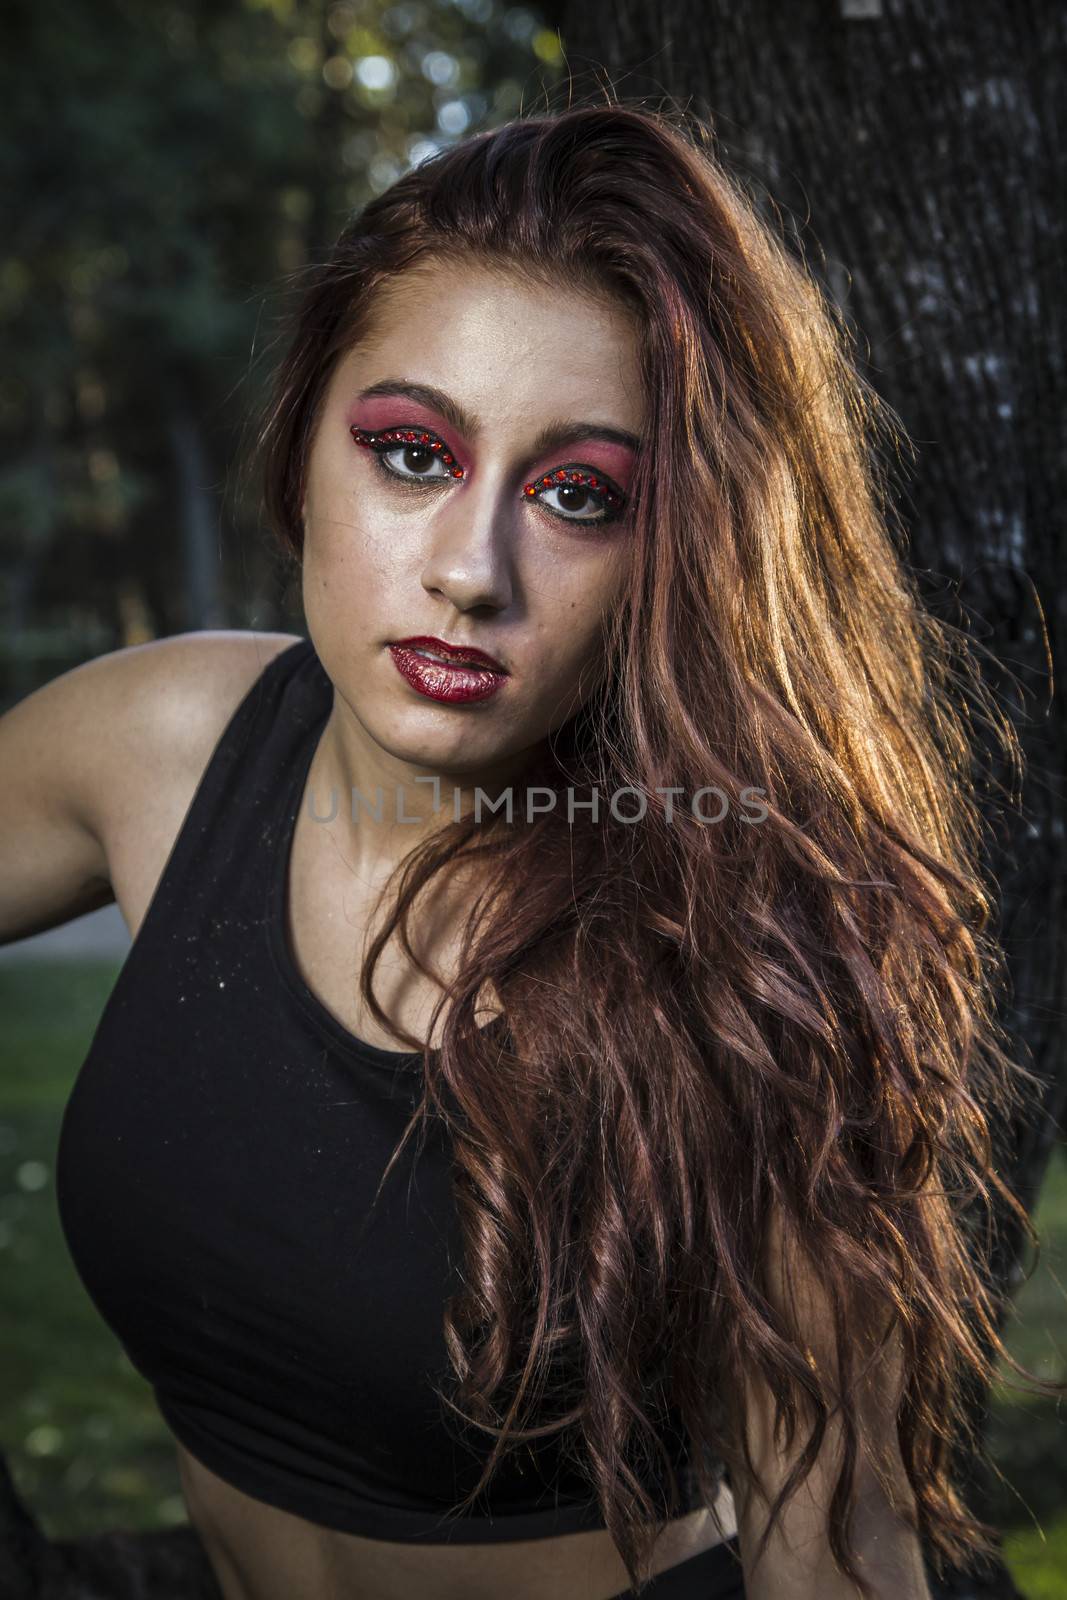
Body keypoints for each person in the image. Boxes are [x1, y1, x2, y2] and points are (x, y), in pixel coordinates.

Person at [1, 97, 1059, 1600]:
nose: (469, 570)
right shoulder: (158, 743)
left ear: (678, 550)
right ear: (304, 441)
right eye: (412, 455)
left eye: (579, 496)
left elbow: (842, 1549)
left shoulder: (741, 950)